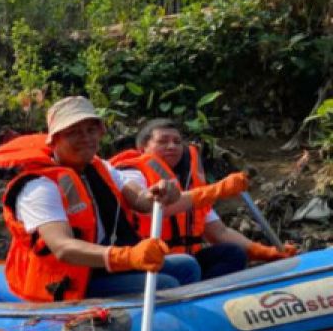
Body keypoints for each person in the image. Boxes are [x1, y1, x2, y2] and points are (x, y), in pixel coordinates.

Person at [0, 96, 248, 302]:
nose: (86, 138)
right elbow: (62, 247)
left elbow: (141, 200)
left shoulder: (101, 167)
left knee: (188, 266)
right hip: (73, 279)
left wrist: (161, 193)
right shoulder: (39, 187)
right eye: (74, 132)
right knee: (167, 283)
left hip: (106, 266)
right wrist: (127, 256)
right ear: (55, 140)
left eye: (91, 130)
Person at [110, 119, 296, 278]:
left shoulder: (189, 184)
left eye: (177, 141)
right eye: (163, 141)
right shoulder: (131, 173)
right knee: (187, 265)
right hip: (147, 260)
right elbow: (156, 208)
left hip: (187, 259)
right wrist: (219, 189)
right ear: (143, 148)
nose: (172, 146)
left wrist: (267, 252)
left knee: (233, 254)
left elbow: (219, 232)